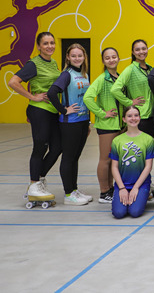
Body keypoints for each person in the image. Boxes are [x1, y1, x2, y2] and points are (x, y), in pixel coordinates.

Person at [8, 32, 61, 203]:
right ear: (38, 46)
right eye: (45, 43)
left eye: (52, 43)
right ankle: (34, 183)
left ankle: (38, 180)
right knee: (40, 147)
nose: (50, 46)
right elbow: (13, 82)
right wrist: (32, 96)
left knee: (58, 146)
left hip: (52, 110)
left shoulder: (53, 63)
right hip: (39, 110)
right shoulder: (33, 64)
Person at [47, 43, 92, 205]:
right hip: (70, 123)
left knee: (76, 157)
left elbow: (85, 99)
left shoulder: (85, 74)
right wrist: (63, 110)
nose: (77, 58)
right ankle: (68, 194)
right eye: (73, 56)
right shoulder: (67, 75)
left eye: (80, 55)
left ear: (84, 57)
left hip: (82, 121)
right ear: (68, 57)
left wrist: (88, 121)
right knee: (68, 158)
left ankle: (74, 189)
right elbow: (52, 93)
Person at [84, 47, 123, 204]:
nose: (111, 60)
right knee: (105, 159)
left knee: (114, 160)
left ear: (118, 58)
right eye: (108, 58)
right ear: (103, 61)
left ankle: (111, 188)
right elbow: (88, 98)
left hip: (120, 125)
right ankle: (104, 192)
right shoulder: (101, 79)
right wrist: (102, 113)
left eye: (114, 57)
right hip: (107, 126)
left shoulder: (119, 77)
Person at [109, 106, 154, 219]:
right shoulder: (117, 141)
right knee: (119, 213)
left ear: (140, 117)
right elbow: (114, 167)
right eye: (129, 116)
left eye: (136, 115)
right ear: (124, 119)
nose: (133, 118)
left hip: (140, 183)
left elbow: (148, 167)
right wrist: (122, 188)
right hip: (123, 183)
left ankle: (145, 193)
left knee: (135, 212)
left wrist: (136, 188)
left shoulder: (148, 139)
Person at [111, 39, 154, 137]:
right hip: (139, 116)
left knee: (149, 147)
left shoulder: (151, 68)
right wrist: (130, 102)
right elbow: (115, 89)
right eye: (137, 49)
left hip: (152, 116)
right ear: (133, 52)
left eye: (144, 49)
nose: (141, 52)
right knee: (139, 148)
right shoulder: (130, 69)